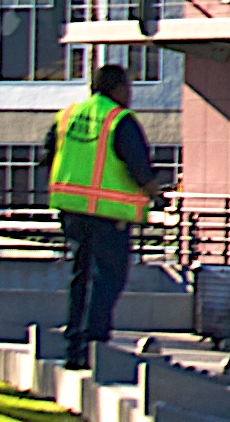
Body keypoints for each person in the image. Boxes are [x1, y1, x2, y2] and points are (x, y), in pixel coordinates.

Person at [47, 62, 162, 359]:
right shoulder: (119, 119)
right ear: (118, 89)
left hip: (72, 211)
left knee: (81, 275)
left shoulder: (68, 115)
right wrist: (156, 195)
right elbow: (139, 166)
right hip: (109, 216)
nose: (131, 94)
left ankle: (75, 344)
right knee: (107, 278)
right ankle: (94, 344)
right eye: (129, 87)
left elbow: (48, 154)